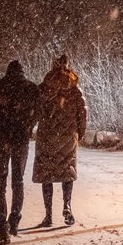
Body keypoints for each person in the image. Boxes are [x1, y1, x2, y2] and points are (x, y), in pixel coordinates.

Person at [0, 60, 40, 244]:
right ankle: (15, 219)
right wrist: (28, 123)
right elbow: (40, 112)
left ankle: (2, 225)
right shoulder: (31, 89)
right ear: (22, 72)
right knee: (18, 181)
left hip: (0, 139)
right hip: (20, 139)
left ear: (7, 72)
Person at [32, 53, 88, 227]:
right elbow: (82, 113)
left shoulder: (44, 88)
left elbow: (35, 110)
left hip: (46, 136)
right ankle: (67, 206)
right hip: (68, 136)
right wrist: (80, 133)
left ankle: (48, 215)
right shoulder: (74, 89)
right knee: (67, 171)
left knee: (46, 174)